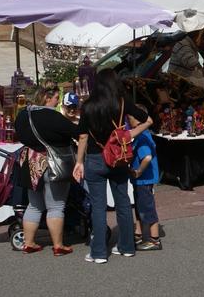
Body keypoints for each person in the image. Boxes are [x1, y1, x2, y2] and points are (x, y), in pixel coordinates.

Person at [73, 68, 153, 264]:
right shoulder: (122, 103)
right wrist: (129, 135)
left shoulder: (88, 105)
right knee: (123, 202)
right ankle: (127, 247)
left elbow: (82, 136)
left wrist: (79, 162)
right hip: (118, 157)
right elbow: (148, 120)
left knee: (98, 207)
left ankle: (99, 252)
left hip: (94, 157)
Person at [14, 85, 78, 256]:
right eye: (56, 98)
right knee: (56, 206)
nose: (58, 102)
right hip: (52, 163)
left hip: (30, 162)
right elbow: (76, 132)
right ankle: (58, 246)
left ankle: (28, 243)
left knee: (34, 205)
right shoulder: (52, 116)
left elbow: (18, 135)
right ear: (47, 98)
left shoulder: (22, 115)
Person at [128, 114, 162, 251]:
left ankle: (154, 240)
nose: (128, 119)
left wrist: (139, 171)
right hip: (141, 180)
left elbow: (146, 157)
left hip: (143, 179)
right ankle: (138, 234)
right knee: (139, 207)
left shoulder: (142, 137)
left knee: (147, 208)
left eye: (130, 117)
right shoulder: (143, 134)